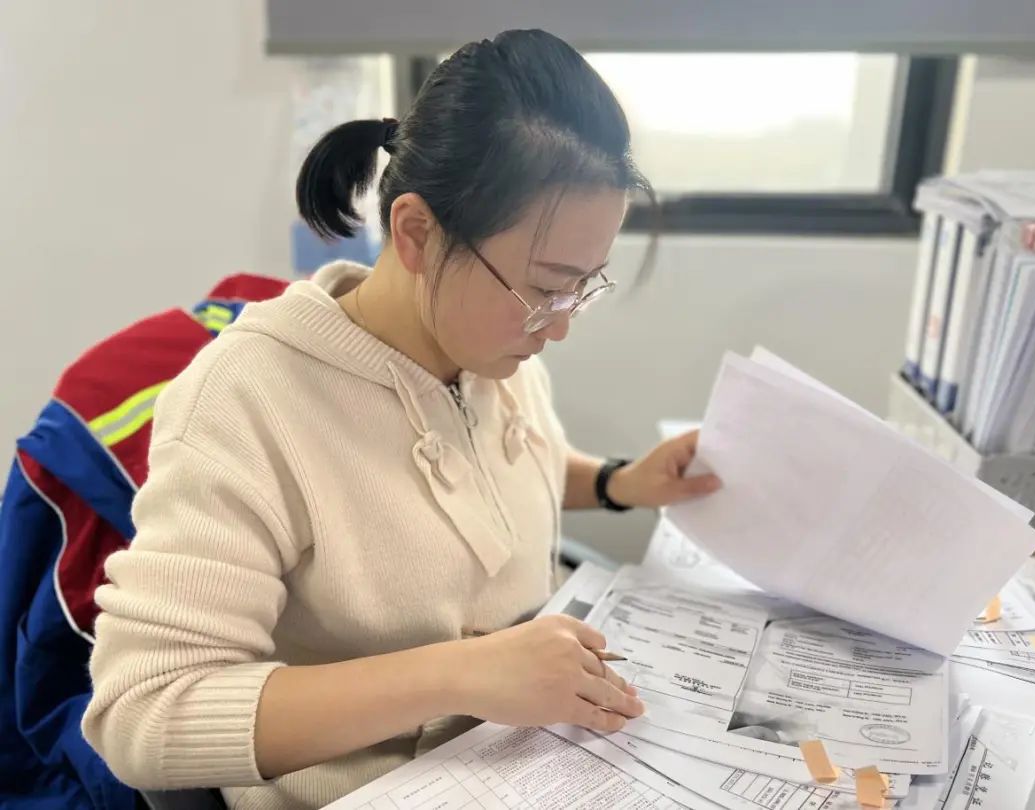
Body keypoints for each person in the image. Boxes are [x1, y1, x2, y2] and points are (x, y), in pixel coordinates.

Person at [82, 28, 721, 810]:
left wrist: (621, 483)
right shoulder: (249, 401)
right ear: (417, 232)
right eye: (545, 287)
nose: (559, 325)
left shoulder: (493, 352)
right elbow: (143, 714)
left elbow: (500, 476)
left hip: (535, 760)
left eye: (583, 287)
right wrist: (458, 675)